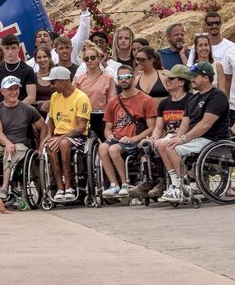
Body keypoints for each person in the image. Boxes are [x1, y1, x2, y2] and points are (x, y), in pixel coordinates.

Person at [155, 61, 231, 203]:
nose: (192, 79)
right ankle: (175, 185)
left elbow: (205, 125)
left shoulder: (217, 97)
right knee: (163, 145)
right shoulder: (194, 98)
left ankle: (184, 187)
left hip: (213, 139)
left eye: (195, 76)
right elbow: (185, 124)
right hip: (196, 138)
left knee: (172, 148)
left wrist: (183, 139)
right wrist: (177, 137)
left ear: (206, 78)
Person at [128, 64, 191, 201]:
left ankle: (170, 183)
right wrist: (154, 136)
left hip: (184, 136)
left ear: (181, 82)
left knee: (163, 144)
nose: (167, 81)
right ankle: (150, 181)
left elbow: (190, 125)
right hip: (168, 136)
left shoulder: (190, 101)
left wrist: (175, 136)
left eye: (171, 79)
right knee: (147, 144)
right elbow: (158, 127)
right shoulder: (164, 103)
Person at [98, 65, 157, 197]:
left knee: (113, 150)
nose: (123, 80)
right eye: (120, 77)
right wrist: (109, 136)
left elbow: (152, 127)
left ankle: (125, 183)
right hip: (118, 138)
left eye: (127, 77)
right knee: (102, 147)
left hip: (135, 139)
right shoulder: (113, 101)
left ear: (133, 78)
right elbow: (108, 127)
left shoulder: (146, 100)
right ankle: (114, 184)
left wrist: (134, 139)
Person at [0, 76, 46, 200]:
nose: (14, 92)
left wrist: (40, 147)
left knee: (11, 150)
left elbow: (44, 127)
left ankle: (4, 188)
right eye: (10, 89)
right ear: (2, 91)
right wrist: (7, 143)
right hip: (0, 145)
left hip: (20, 145)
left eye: (16, 88)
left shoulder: (28, 109)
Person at [43, 67, 91, 201]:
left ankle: (69, 186)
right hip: (59, 134)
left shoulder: (81, 97)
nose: (51, 86)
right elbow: (51, 121)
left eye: (53, 82)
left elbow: (81, 128)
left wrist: (62, 138)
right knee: (51, 146)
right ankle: (59, 187)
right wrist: (49, 137)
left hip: (77, 136)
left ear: (63, 81)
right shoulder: (54, 97)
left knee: (63, 144)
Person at [73, 42, 117, 139]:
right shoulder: (79, 80)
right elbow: (73, 99)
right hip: (83, 116)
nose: (90, 61)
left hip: (102, 116)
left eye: (93, 58)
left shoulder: (108, 78)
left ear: (99, 59)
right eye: (86, 59)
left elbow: (111, 100)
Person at [0, 34, 37, 107]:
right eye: (7, 48)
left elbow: (31, 97)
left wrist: (14, 109)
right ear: (3, 49)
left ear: (19, 48)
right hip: (2, 112)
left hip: (21, 112)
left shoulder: (28, 70)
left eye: (13, 48)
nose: (10, 52)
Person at [32, 46, 55, 117]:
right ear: (35, 60)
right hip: (36, 115)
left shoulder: (56, 76)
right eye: (39, 57)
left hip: (54, 114)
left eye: (45, 56)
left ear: (49, 58)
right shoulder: (32, 77)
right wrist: (42, 103)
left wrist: (50, 103)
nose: (42, 60)